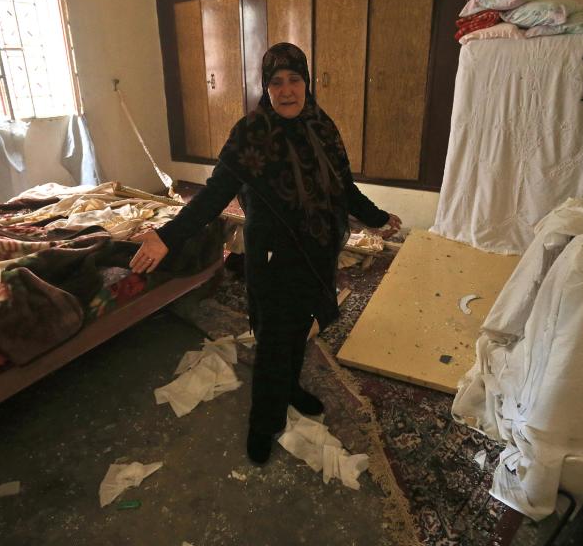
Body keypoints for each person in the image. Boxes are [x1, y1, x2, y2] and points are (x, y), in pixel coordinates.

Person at [130, 43, 401, 463]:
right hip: (275, 256)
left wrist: (378, 218)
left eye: (295, 80)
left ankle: (291, 389)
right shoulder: (251, 133)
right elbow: (215, 195)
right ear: (265, 86)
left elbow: (343, 188)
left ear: (306, 83)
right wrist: (169, 234)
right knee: (275, 340)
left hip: (318, 252)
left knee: (298, 329)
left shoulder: (321, 126)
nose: (287, 90)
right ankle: (264, 423)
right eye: (277, 82)